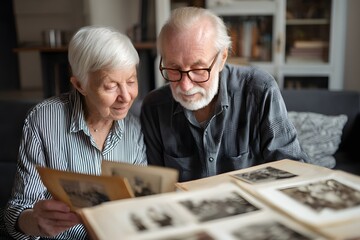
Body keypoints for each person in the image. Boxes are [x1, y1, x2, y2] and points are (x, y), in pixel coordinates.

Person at [4, 26, 147, 239]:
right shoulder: (44, 121)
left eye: (131, 81)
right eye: (111, 86)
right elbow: (16, 210)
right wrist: (37, 222)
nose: (126, 96)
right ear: (80, 85)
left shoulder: (134, 128)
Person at [140, 7, 309, 182]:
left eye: (198, 69)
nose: (185, 85)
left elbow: (291, 168)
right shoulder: (154, 108)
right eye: (174, 68)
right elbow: (156, 187)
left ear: (222, 57)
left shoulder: (259, 90)